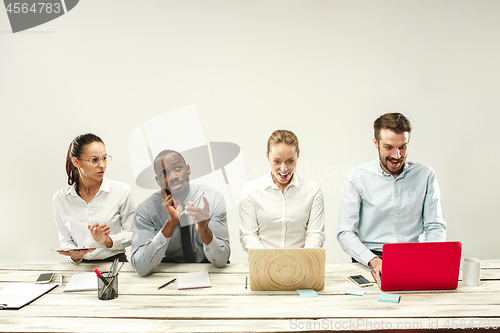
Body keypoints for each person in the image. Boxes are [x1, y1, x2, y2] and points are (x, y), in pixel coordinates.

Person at [337, 113, 447, 280]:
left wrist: (430, 258)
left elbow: (435, 226)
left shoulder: (425, 175)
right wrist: (374, 261)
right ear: (376, 142)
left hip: (415, 257)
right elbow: (345, 232)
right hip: (369, 260)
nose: (397, 155)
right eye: (389, 147)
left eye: (403, 146)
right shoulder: (357, 177)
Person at [131, 150, 230, 277]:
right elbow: (140, 267)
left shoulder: (212, 199)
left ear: (188, 169)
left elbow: (221, 260)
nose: (173, 177)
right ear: (158, 180)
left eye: (178, 168)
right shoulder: (146, 210)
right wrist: (170, 224)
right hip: (170, 272)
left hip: (210, 270)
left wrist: (204, 230)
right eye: (164, 173)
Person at [52, 133, 135, 263]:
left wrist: (107, 240)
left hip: (114, 264)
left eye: (104, 158)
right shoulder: (61, 199)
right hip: (80, 267)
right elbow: (65, 240)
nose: (102, 165)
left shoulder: (122, 191)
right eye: (94, 160)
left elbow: (133, 233)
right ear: (76, 162)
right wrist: (74, 254)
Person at [239, 130, 325, 251]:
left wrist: (303, 261)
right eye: (277, 161)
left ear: (298, 156)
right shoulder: (251, 191)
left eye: (290, 161)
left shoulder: (312, 190)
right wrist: (269, 261)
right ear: (267, 157)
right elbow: (248, 235)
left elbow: (315, 234)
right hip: (263, 265)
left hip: (300, 265)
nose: (284, 169)